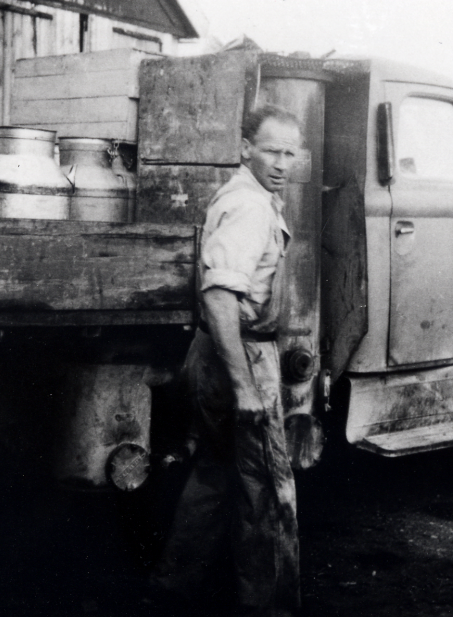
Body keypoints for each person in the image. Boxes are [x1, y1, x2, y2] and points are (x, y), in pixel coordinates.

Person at [149, 105, 303, 617]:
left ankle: (175, 586)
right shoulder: (252, 207)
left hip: (214, 353)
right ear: (244, 149)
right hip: (239, 355)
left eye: (290, 152)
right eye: (270, 149)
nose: (282, 161)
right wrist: (245, 388)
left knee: (214, 475)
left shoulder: (249, 197)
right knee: (267, 489)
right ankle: (269, 608)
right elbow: (219, 297)